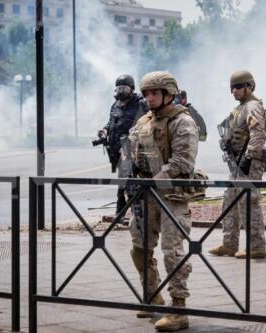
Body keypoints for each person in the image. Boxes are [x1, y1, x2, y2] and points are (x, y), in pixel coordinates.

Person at [128, 71, 199, 332]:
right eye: (146, 93)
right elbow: (132, 152)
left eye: (154, 93)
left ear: (169, 93)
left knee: (173, 253)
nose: (149, 98)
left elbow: (182, 162)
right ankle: (152, 294)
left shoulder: (183, 122)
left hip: (172, 196)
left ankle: (179, 309)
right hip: (147, 196)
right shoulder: (144, 121)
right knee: (139, 247)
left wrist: (153, 182)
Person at [209, 70, 266, 259]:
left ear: (248, 86)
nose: (233, 91)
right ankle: (229, 244)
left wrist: (248, 157)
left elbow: (258, 135)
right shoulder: (240, 108)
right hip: (237, 162)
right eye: (231, 88)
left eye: (237, 87)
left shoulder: (252, 106)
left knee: (248, 202)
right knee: (230, 201)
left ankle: (256, 246)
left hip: (248, 163)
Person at [98, 75, 147, 215]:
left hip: (135, 150)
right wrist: (105, 130)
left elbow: (148, 124)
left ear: (131, 89)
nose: (121, 92)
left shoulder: (141, 104)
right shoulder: (115, 105)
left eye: (124, 88)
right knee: (123, 180)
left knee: (130, 182)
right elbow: (111, 121)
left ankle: (133, 213)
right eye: (119, 88)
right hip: (117, 151)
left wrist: (133, 142)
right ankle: (123, 210)